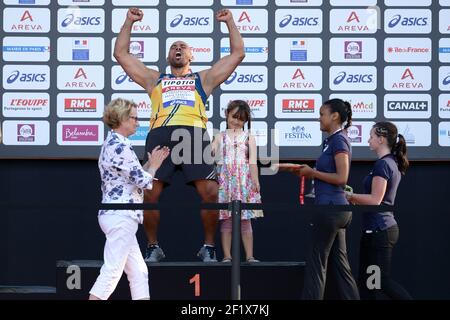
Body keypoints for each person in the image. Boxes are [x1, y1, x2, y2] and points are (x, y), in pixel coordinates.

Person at [114, 7, 245, 262]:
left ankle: (208, 246)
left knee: (210, 191)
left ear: (191, 56)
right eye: (174, 46)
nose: (178, 49)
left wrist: (230, 22)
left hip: (193, 135)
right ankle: (153, 246)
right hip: (160, 135)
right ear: (167, 56)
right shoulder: (155, 80)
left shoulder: (203, 79)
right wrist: (129, 21)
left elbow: (238, 53)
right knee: (149, 192)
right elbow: (120, 53)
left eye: (183, 46)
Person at [89, 98, 170, 300]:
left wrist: (150, 165)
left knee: (139, 273)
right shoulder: (120, 146)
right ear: (122, 119)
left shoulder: (115, 143)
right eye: (134, 118)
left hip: (119, 214)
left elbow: (132, 178)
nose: (138, 122)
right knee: (112, 272)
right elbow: (143, 181)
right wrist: (155, 165)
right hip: (121, 215)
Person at [279, 99, 360, 300]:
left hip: (331, 209)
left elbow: (342, 178)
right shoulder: (331, 141)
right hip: (335, 210)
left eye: (322, 114)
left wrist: (313, 173)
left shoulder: (339, 140)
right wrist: (303, 171)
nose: (319, 118)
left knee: (317, 264)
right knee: (341, 266)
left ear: (334, 116)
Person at [345, 122, 412, 300]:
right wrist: (354, 197)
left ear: (381, 140)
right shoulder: (388, 163)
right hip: (376, 230)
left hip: (379, 230)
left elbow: (375, 200)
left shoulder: (383, 165)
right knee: (368, 283)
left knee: (379, 281)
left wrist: (349, 197)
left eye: (372, 136)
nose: (368, 140)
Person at [211, 100, 263, 263]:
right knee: (227, 220)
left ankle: (250, 256)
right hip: (226, 182)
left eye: (240, 119)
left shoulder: (249, 137)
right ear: (227, 114)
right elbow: (211, 152)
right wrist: (210, 148)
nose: (236, 121)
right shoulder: (220, 136)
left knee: (245, 220)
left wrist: (255, 180)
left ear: (245, 121)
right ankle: (227, 256)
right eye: (234, 117)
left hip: (243, 182)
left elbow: (253, 161)